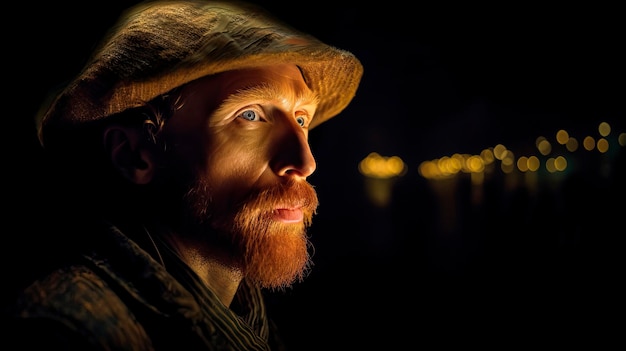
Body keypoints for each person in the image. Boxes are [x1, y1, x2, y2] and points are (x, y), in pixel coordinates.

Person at [4, 0, 362, 349]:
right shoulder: (69, 330)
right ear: (135, 155)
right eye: (250, 115)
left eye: (301, 119)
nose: (304, 161)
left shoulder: (253, 322)